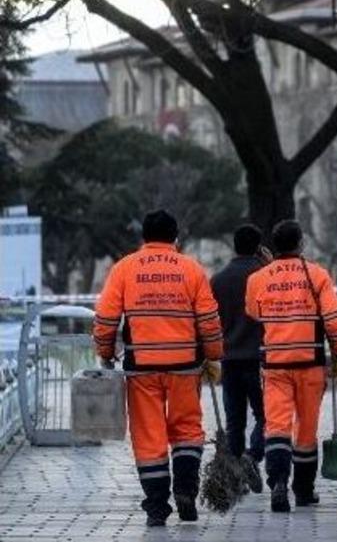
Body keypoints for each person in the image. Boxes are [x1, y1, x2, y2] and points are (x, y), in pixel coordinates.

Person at [93, 210, 224, 527]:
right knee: (187, 431)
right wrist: (214, 355)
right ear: (175, 237)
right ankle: (186, 493)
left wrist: (106, 353)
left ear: (144, 238)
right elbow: (208, 320)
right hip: (184, 366)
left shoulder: (125, 268)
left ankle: (156, 507)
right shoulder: (191, 269)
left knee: (149, 437)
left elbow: (106, 318)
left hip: (142, 369)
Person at [245, 220, 337, 513]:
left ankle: (278, 481)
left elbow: (254, 312)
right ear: (301, 244)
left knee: (276, 426)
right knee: (306, 429)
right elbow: (333, 320)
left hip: (275, 364)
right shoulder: (316, 275)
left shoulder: (258, 278)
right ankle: (303, 491)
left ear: (275, 245)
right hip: (309, 364)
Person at [210, 224, 269, 493]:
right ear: (258, 246)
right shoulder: (264, 275)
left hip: (229, 358)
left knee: (235, 421)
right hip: (259, 357)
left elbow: (211, 321)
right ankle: (252, 455)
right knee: (268, 415)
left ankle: (234, 477)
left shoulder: (218, 279)